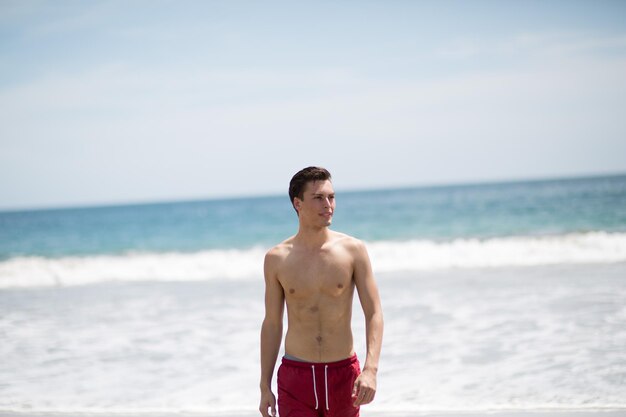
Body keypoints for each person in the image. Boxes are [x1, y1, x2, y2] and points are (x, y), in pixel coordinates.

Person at [259, 166, 384, 417]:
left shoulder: (353, 251)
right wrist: (265, 385)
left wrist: (370, 370)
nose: (328, 205)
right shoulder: (277, 259)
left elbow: (374, 313)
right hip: (296, 377)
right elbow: (272, 324)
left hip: (343, 375)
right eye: (318, 198)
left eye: (331, 197)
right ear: (298, 203)